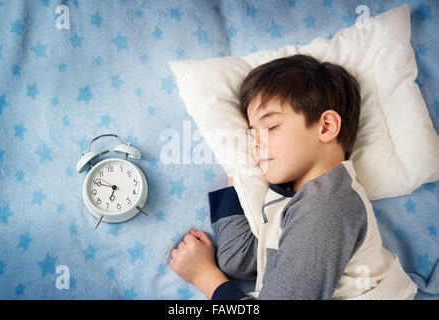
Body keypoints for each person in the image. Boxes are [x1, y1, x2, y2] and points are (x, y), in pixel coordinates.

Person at [169, 55, 418, 300]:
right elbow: (241, 260)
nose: (256, 144)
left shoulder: (327, 206)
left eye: (271, 127)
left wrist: (204, 276)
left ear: (326, 127)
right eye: (252, 133)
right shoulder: (292, 200)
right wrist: (238, 170)